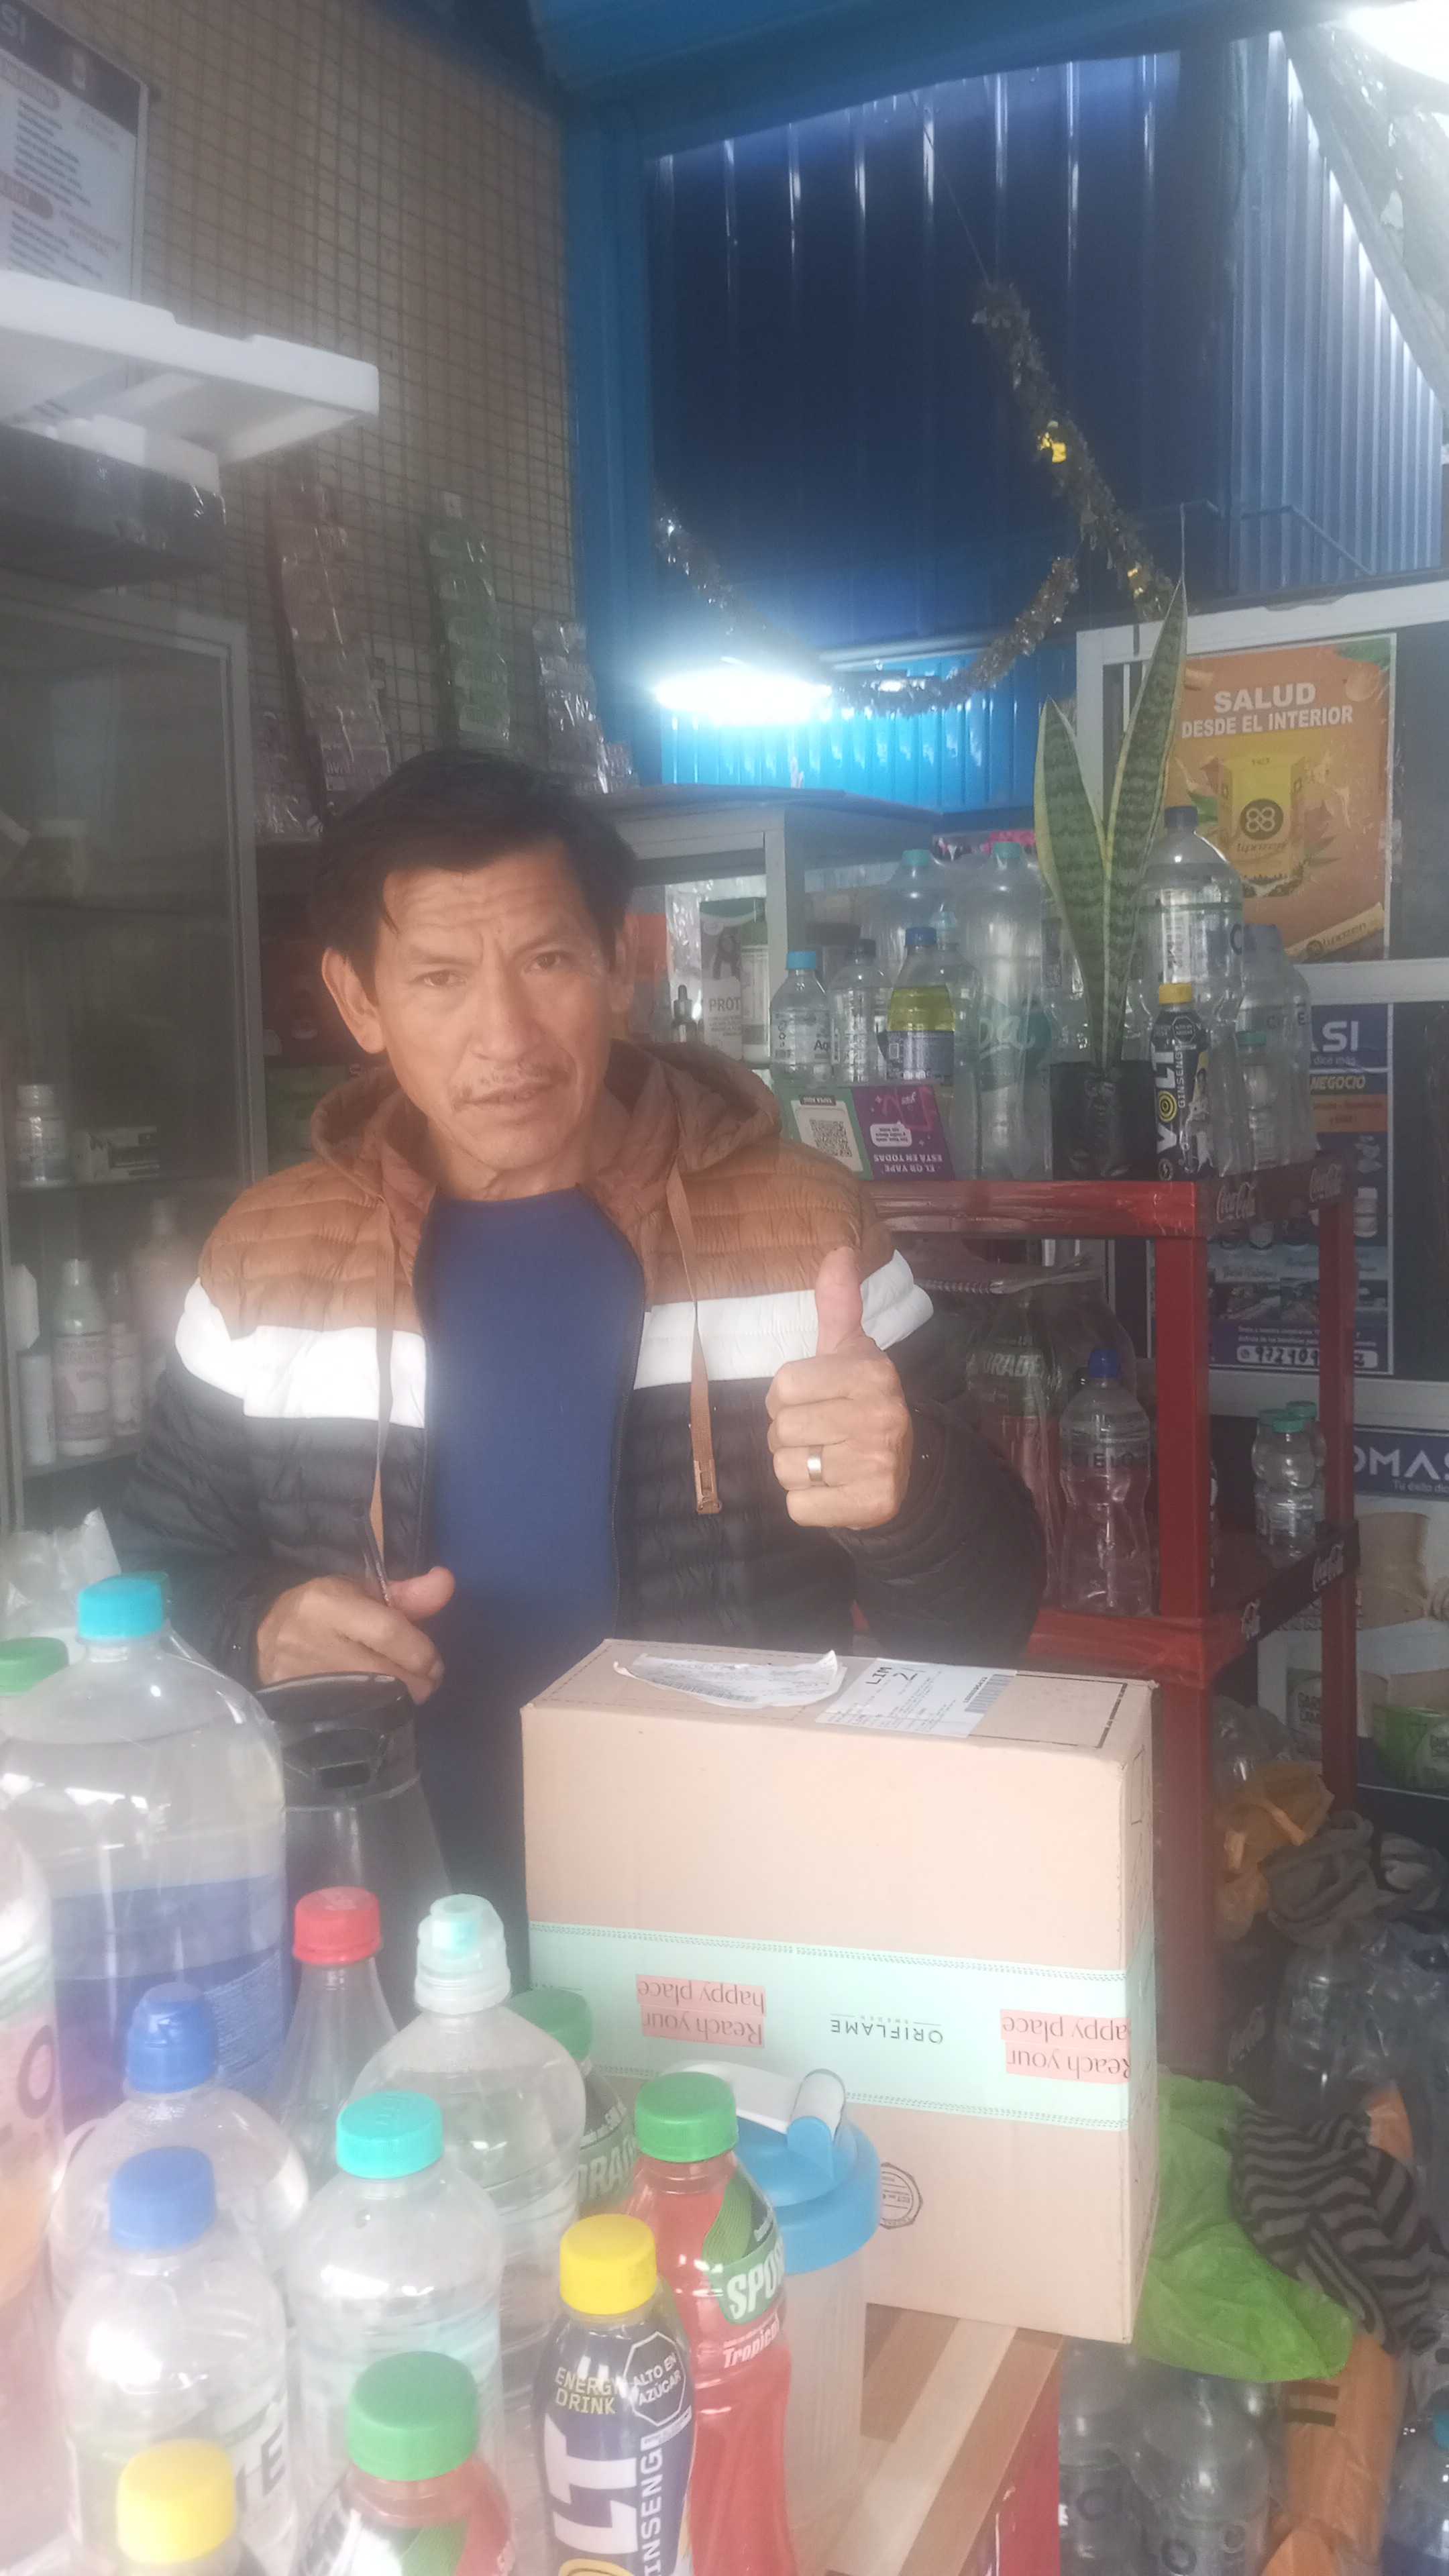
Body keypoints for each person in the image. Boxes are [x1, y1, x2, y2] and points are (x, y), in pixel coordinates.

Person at [117, 751, 1044, 1956]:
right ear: (358, 1000)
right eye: (440, 978)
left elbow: (984, 1624)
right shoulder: (267, 1258)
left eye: (548, 961)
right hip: (373, 1923)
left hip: (729, 1914)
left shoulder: (804, 1230)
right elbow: (159, 1566)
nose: (505, 1035)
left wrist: (908, 1496)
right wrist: (257, 1624)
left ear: (618, 964)